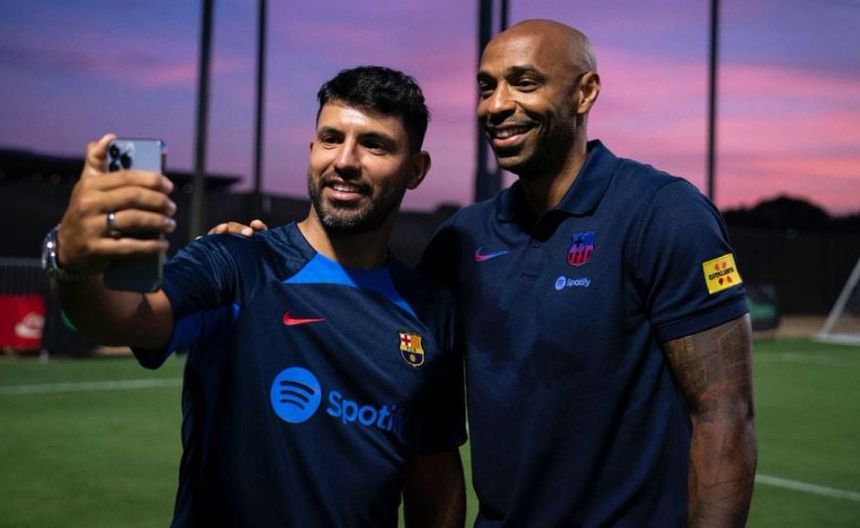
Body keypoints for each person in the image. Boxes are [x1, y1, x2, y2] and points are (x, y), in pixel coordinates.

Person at [216, 20, 756, 527]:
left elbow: (723, 412)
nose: (497, 105)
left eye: (524, 82)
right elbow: (391, 366)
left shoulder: (663, 212)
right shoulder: (461, 239)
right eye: (486, 87)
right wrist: (260, 257)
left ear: (585, 92)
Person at [42, 66, 467, 527]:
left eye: (374, 144)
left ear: (416, 170)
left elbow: (434, 477)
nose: (345, 160)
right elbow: (127, 319)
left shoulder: (432, 312)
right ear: (312, 150)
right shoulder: (239, 261)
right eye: (331, 139)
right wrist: (73, 261)